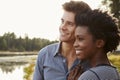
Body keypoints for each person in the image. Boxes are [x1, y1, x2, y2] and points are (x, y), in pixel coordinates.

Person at [33, 1, 91, 80]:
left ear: (82, 28)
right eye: (62, 21)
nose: (62, 27)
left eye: (70, 24)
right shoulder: (44, 54)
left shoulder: (90, 59)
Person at [74, 9, 120, 80]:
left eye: (80, 39)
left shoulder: (90, 76)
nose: (75, 44)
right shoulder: (114, 72)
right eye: (75, 39)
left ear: (99, 43)